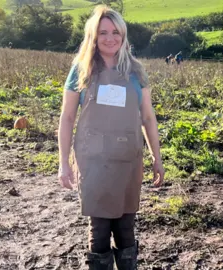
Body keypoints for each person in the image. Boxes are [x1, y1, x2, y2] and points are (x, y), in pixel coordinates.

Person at [58, 5, 164, 270]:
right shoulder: (81, 71)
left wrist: (156, 157)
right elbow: (67, 117)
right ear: (93, 36)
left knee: (126, 227)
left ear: (123, 35)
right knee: (100, 227)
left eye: (116, 32)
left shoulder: (136, 72)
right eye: (103, 32)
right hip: (93, 160)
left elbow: (148, 118)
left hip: (128, 157)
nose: (110, 38)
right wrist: (63, 162)